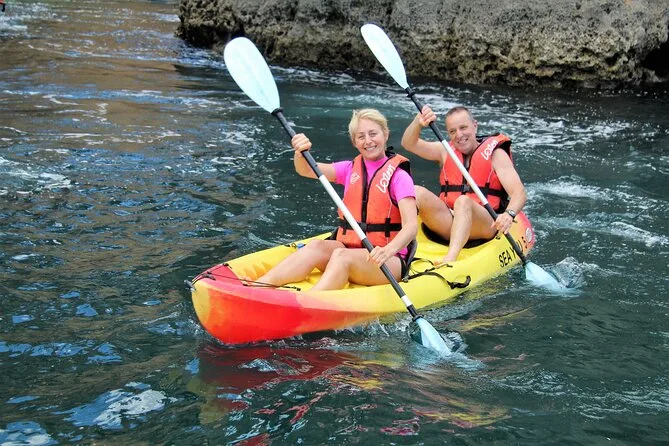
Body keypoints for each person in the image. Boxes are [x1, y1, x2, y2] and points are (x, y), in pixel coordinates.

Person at [257, 108, 418, 291]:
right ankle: (261, 285)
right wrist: (300, 153)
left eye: (373, 134)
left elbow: (411, 226)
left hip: (388, 260)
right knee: (316, 246)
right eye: (361, 136)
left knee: (342, 256)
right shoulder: (348, 169)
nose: (368, 141)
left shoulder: (399, 177)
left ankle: (309, 301)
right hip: (349, 249)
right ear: (354, 142)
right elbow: (306, 170)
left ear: (385, 134)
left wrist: (387, 250)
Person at [401, 105, 526, 263]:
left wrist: (509, 214)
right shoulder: (445, 151)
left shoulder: (496, 154)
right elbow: (408, 143)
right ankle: (400, 247)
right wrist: (418, 122)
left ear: (475, 125)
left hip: (485, 224)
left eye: (463, 128)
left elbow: (519, 193)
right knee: (415, 191)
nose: (459, 135)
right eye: (453, 131)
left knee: (463, 202)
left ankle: (450, 259)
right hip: (449, 221)